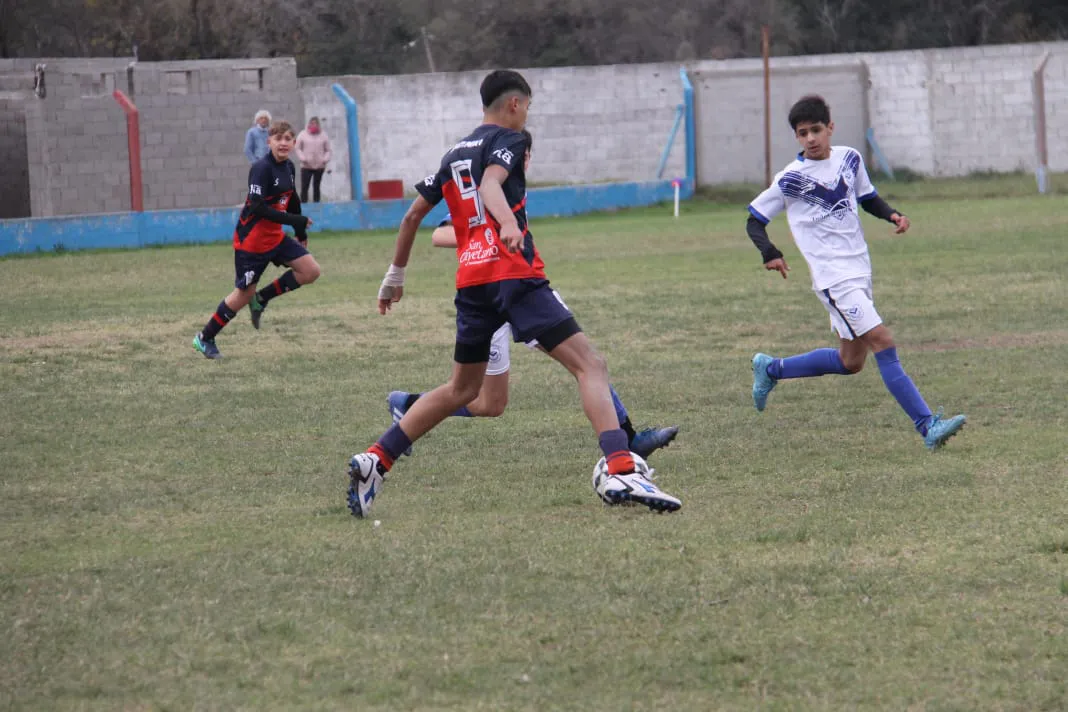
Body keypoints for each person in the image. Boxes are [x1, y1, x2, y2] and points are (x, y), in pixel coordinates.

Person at [347, 70, 682, 518]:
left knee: (462, 389)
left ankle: (377, 458)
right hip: (514, 274)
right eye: (528, 108)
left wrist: (395, 276)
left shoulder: (453, 153)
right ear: (514, 104)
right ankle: (621, 467)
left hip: (473, 284)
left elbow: (411, 218)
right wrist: (507, 223)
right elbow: (490, 185)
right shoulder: (510, 139)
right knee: (590, 365)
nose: (527, 116)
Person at [388, 129, 679, 460]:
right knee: (570, 368)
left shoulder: (509, 188)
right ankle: (626, 444)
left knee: (508, 396)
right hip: (496, 293)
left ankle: (407, 405)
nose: (524, 161)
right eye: (522, 155)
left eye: (526, 156)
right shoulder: (485, 184)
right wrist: (484, 236)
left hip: (518, 287)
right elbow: (439, 234)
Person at [745, 94, 966, 451]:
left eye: (816, 130)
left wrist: (892, 214)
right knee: (883, 341)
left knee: (851, 362)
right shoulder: (790, 179)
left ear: (830, 127)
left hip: (859, 269)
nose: (810, 138)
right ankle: (927, 425)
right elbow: (754, 220)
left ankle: (772, 369)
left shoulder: (850, 158)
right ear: (796, 137)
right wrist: (770, 252)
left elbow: (867, 197)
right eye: (802, 133)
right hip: (833, 278)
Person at [193, 120, 320, 359]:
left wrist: (300, 231)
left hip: (275, 237)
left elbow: (292, 200)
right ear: (268, 141)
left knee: (310, 271)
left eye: (288, 139)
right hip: (251, 243)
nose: (283, 143)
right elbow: (258, 207)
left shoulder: (289, 167)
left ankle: (262, 298)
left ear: (294, 143)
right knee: (243, 294)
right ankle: (205, 337)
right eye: (278, 138)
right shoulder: (261, 169)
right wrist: (295, 219)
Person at [295, 117, 331, 203]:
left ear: (318, 124)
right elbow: (297, 148)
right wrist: (303, 158)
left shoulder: (324, 135)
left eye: (316, 123)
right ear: (309, 124)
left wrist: (325, 159)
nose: (314, 125)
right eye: (312, 123)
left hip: (319, 166)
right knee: (305, 187)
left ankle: (317, 205)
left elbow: (328, 150)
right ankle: (303, 205)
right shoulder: (302, 134)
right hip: (306, 166)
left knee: (316, 186)